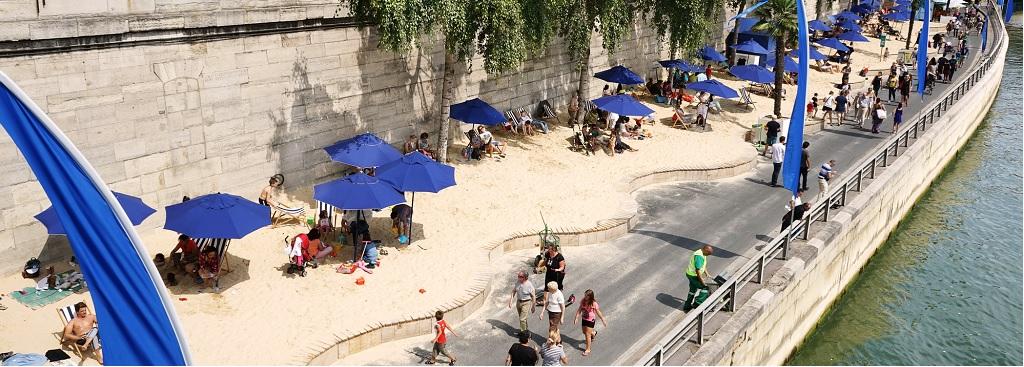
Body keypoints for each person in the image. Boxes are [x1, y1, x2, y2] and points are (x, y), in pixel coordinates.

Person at [573, 289, 607, 357]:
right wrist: (576, 317)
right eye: (585, 295)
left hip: (590, 320)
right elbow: (580, 309)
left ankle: (588, 349)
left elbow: (598, 312)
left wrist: (603, 319)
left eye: (586, 296)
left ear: (590, 297)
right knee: (584, 332)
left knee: (587, 334)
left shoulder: (594, 303)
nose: (585, 297)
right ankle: (593, 333)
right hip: (584, 318)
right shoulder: (583, 301)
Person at [683, 245, 713, 312]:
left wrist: (707, 274)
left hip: (690, 274)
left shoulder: (702, 253)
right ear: (706, 250)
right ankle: (697, 303)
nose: (708, 255)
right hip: (693, 276)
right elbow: (697, 270)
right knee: (705, 288)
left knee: (692, 290)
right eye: (708, 254)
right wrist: (701, 280)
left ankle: (687, 306)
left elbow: (703, 265)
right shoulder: (699, 256)